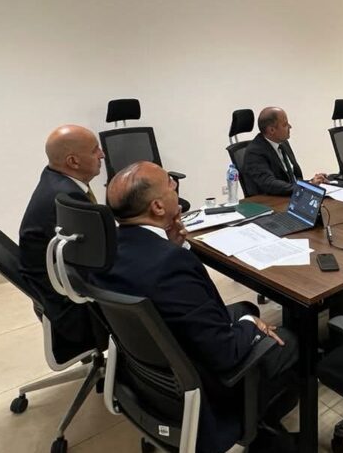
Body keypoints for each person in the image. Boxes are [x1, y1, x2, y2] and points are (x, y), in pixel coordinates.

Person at [96, 162, 298, 452]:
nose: (176, 188)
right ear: (157, 207)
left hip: (154, 374)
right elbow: (225, 354)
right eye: (170, 184)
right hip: (203, 385)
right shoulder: (169, 265)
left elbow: (163, 290)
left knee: (246, 308)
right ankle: (258, 425)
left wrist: (174, 246)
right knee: (289, 341)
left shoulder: (108, 248)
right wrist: (249, 326)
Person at [18, 124, 109, 358]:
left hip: (55, 293)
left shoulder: (55, 180)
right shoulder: (68, 198)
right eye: (95, 150)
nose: (102, 155)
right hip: (74, 311)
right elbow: (101, 260)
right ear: (73, 161)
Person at [241, 107, 326, 196]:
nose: (290, 126)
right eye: (285, 124)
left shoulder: (283, 143)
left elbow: (293, 177)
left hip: (290, 196)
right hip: (271, 200)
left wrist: (312, 182)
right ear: (272, 130)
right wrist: (307, 187)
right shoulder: (254, 152)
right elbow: (270, 184)